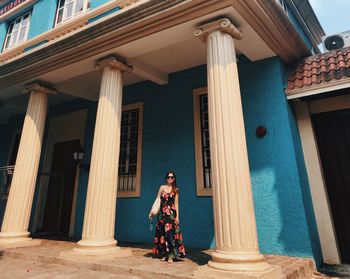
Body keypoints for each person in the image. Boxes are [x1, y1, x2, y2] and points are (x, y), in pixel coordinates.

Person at [149, 171, 186, 263]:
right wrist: (152, 211)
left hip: (171, 215)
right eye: (168, 177)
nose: (170, 178)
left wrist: (177, 217)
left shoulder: (176, 189)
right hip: (162, 214)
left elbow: (176, 204)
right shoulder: (162, 187)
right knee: (162, 234)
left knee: (170, 234)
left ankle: (171, 255)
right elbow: (158, 199)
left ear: (174, 178)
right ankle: (165, 254)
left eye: (172, 177)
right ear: (166, 178)